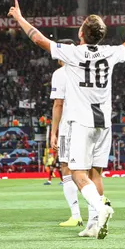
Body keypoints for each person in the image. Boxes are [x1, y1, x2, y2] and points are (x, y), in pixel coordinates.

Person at [8, 0, 125, 239]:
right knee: (95, 173)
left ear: (81, 33)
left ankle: (101, 209)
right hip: (104, 124)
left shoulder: (72, 53)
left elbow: (38, 39)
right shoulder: (110, 53)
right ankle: (93, 224)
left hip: (81, 122)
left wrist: (19, 18)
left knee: (77, 173)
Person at [49, 37, 83, 230]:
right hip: (90, 124)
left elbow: (58, 104)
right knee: (90, 171)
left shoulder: (60, 73)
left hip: (69, 125)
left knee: (66, 168)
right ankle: (97, 213)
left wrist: (54, 132)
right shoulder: (87, 68)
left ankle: (76, 215)